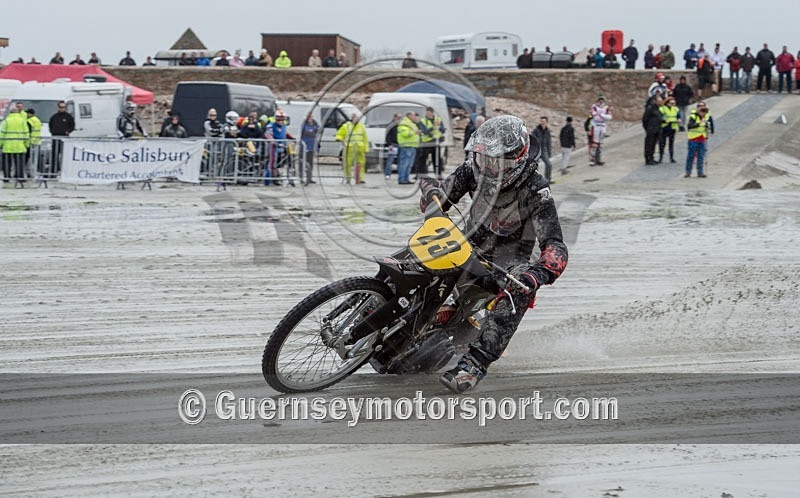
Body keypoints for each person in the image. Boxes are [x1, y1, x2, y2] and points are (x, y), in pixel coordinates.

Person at [416, 115, 568, 394]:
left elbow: (556, 245)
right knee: (424, 247)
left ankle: (475, 364)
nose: (487, 167)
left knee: (518, 289)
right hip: (467, 244)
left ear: (516, 158)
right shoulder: (471, 170)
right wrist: (432, 194)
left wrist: (539, 272)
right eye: (482, 158)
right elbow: (444, 193)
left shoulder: (537, 189)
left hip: (508, 263)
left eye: (495, 161)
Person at [0, 103, 30, 186]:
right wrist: (26, 144)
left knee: (7, 163)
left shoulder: (6, 121)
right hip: (19, 146)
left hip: (7, 146)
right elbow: (26, 134)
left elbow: (2, 134)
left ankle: (6, 177)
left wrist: (0, 144)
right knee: (19, 163)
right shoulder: (22, 121)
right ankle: (20, 177)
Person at [336, 112, 368, 184]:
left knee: (361, 164)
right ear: (352, 119)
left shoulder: (361, 127)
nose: (356, 120)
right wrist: (339, 139)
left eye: (357, 119)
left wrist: (366, 148)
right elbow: (339, 134)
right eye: (354, 118)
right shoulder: (346, 126)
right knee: (347, 164)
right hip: (349, 148)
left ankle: (360, 178)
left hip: (359, 148)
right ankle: (348, 177)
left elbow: (365, 138)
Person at [416, 106, 446, 179]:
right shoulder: (423, 121)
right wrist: (433, 127)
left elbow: (442, 130)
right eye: (426, 113)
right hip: (426, 142)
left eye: (429, 113)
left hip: (436, 142)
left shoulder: (438, 119)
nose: (427, 115)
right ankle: (422, 175)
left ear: (432, 113)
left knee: (437, 159)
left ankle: (438, 174)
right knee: (423, 159)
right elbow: (425, 131)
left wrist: (441, 128)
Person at [685, 103, 713, 178]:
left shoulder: (706, 118)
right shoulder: (693, 116)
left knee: (701, 156)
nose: (703, 114)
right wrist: (699, 124)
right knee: (691, 156)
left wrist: (708, 127)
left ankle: (700, 172)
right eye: (702, 112)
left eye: (705, 112)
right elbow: (689, 126)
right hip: (693, 138)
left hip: (702, 139)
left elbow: (708, 127)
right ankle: (688, 172)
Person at [47, 100, 74, 175]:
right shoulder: (54, 117)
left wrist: (68, 131)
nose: (62, 108)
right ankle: (54, 171)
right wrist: (53, 132)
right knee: (54, 155)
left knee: (64, 155)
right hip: (55, 138)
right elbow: (50, 125)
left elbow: (72, 126)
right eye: (61, 107)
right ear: (58, 107)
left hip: (64, 139)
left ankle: (65, 171)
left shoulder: (68, 117)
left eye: (63, 107)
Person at [396, 112, 420, 185]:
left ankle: (406, 179)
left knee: (409, 165)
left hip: (412, 146)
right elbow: (405, 134)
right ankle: (402, 179)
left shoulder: (411, 123)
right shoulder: (404, 123)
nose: (414, 117)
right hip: (406, 146)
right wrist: (415, 132)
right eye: (413, 115)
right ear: (409, 115)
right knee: (404, 164)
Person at [589, 96, 611, 165]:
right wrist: (602, 115)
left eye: (602, 100)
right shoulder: (594, 106)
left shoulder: (606, 107)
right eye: (600, 100)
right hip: (596, 125)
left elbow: (609, 117)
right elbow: (594, 115)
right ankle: (592, 159)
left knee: (600, 144)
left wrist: (601, 115)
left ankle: (598, 159)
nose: (601, 101)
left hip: (603, 125)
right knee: (595, 143)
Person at [530, 116, 553, 181]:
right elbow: (532, 140)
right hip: (536, 151)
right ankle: (535, 180)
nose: (542, 123)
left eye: (544, 121)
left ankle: (547, 180)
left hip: (543, 151)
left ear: (546, 122)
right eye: (541, 121)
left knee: (549, 164)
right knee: (535, 166)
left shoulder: (547, 131)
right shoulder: (536, 130)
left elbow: (549, 142)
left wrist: (549, 152)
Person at [658, 96, 679, 164]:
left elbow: (678, 116)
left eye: (673, 103)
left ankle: (671, 158)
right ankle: (660, 157)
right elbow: (659, 118)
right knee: (662, 144)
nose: (672, 104)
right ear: (667, 103)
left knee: (671, 144)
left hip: (672, 127)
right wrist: (664, 121)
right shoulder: (662, 109)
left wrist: (679, 119)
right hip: (664, 128)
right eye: (671, 103)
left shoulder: (675, 109)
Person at [300, 114, 320, 185]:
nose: (310, 119)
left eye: (311, 117)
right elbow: (307, 131)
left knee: (310, 163)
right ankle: (301, 178)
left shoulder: (315, 124)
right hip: (305, 146)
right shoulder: (304, 124)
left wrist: (313, 130)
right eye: (309, 117)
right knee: (302, 163)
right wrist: (312, 131)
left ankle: (309, 178)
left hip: (312, 146)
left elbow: (319, 129)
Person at [642, 96, 662, 165]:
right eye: (659, 100)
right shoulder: (650, 108)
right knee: (649, 144)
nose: (661, 102)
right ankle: (648, 159)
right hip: (651, 129)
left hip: (657, 129)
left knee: (653, 144)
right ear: (655, 101)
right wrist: (647, 128)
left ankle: (652, 157)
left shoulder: (657, 108)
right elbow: (645, 119)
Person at [383, 113, 402, 180]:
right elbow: (387, 136)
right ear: (394, 117)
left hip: (400, 145)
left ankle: (400, 175)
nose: (399, 119)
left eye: (400, 117)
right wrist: (389, 144)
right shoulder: (390, 125)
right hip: (393, 145)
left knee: (400, 161)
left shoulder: (400, 125)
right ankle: (387, 174)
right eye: (398, 117)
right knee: (390, 160)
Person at [26, 108, 42, 178]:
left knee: (29, 159)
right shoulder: (37, 120)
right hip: (37, 141)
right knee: (35, 159)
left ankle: (30, 173)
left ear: (30, 113)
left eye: (27, 113)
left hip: (30, 141)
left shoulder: (29, 121)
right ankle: (35, 172)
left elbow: (27, 131)